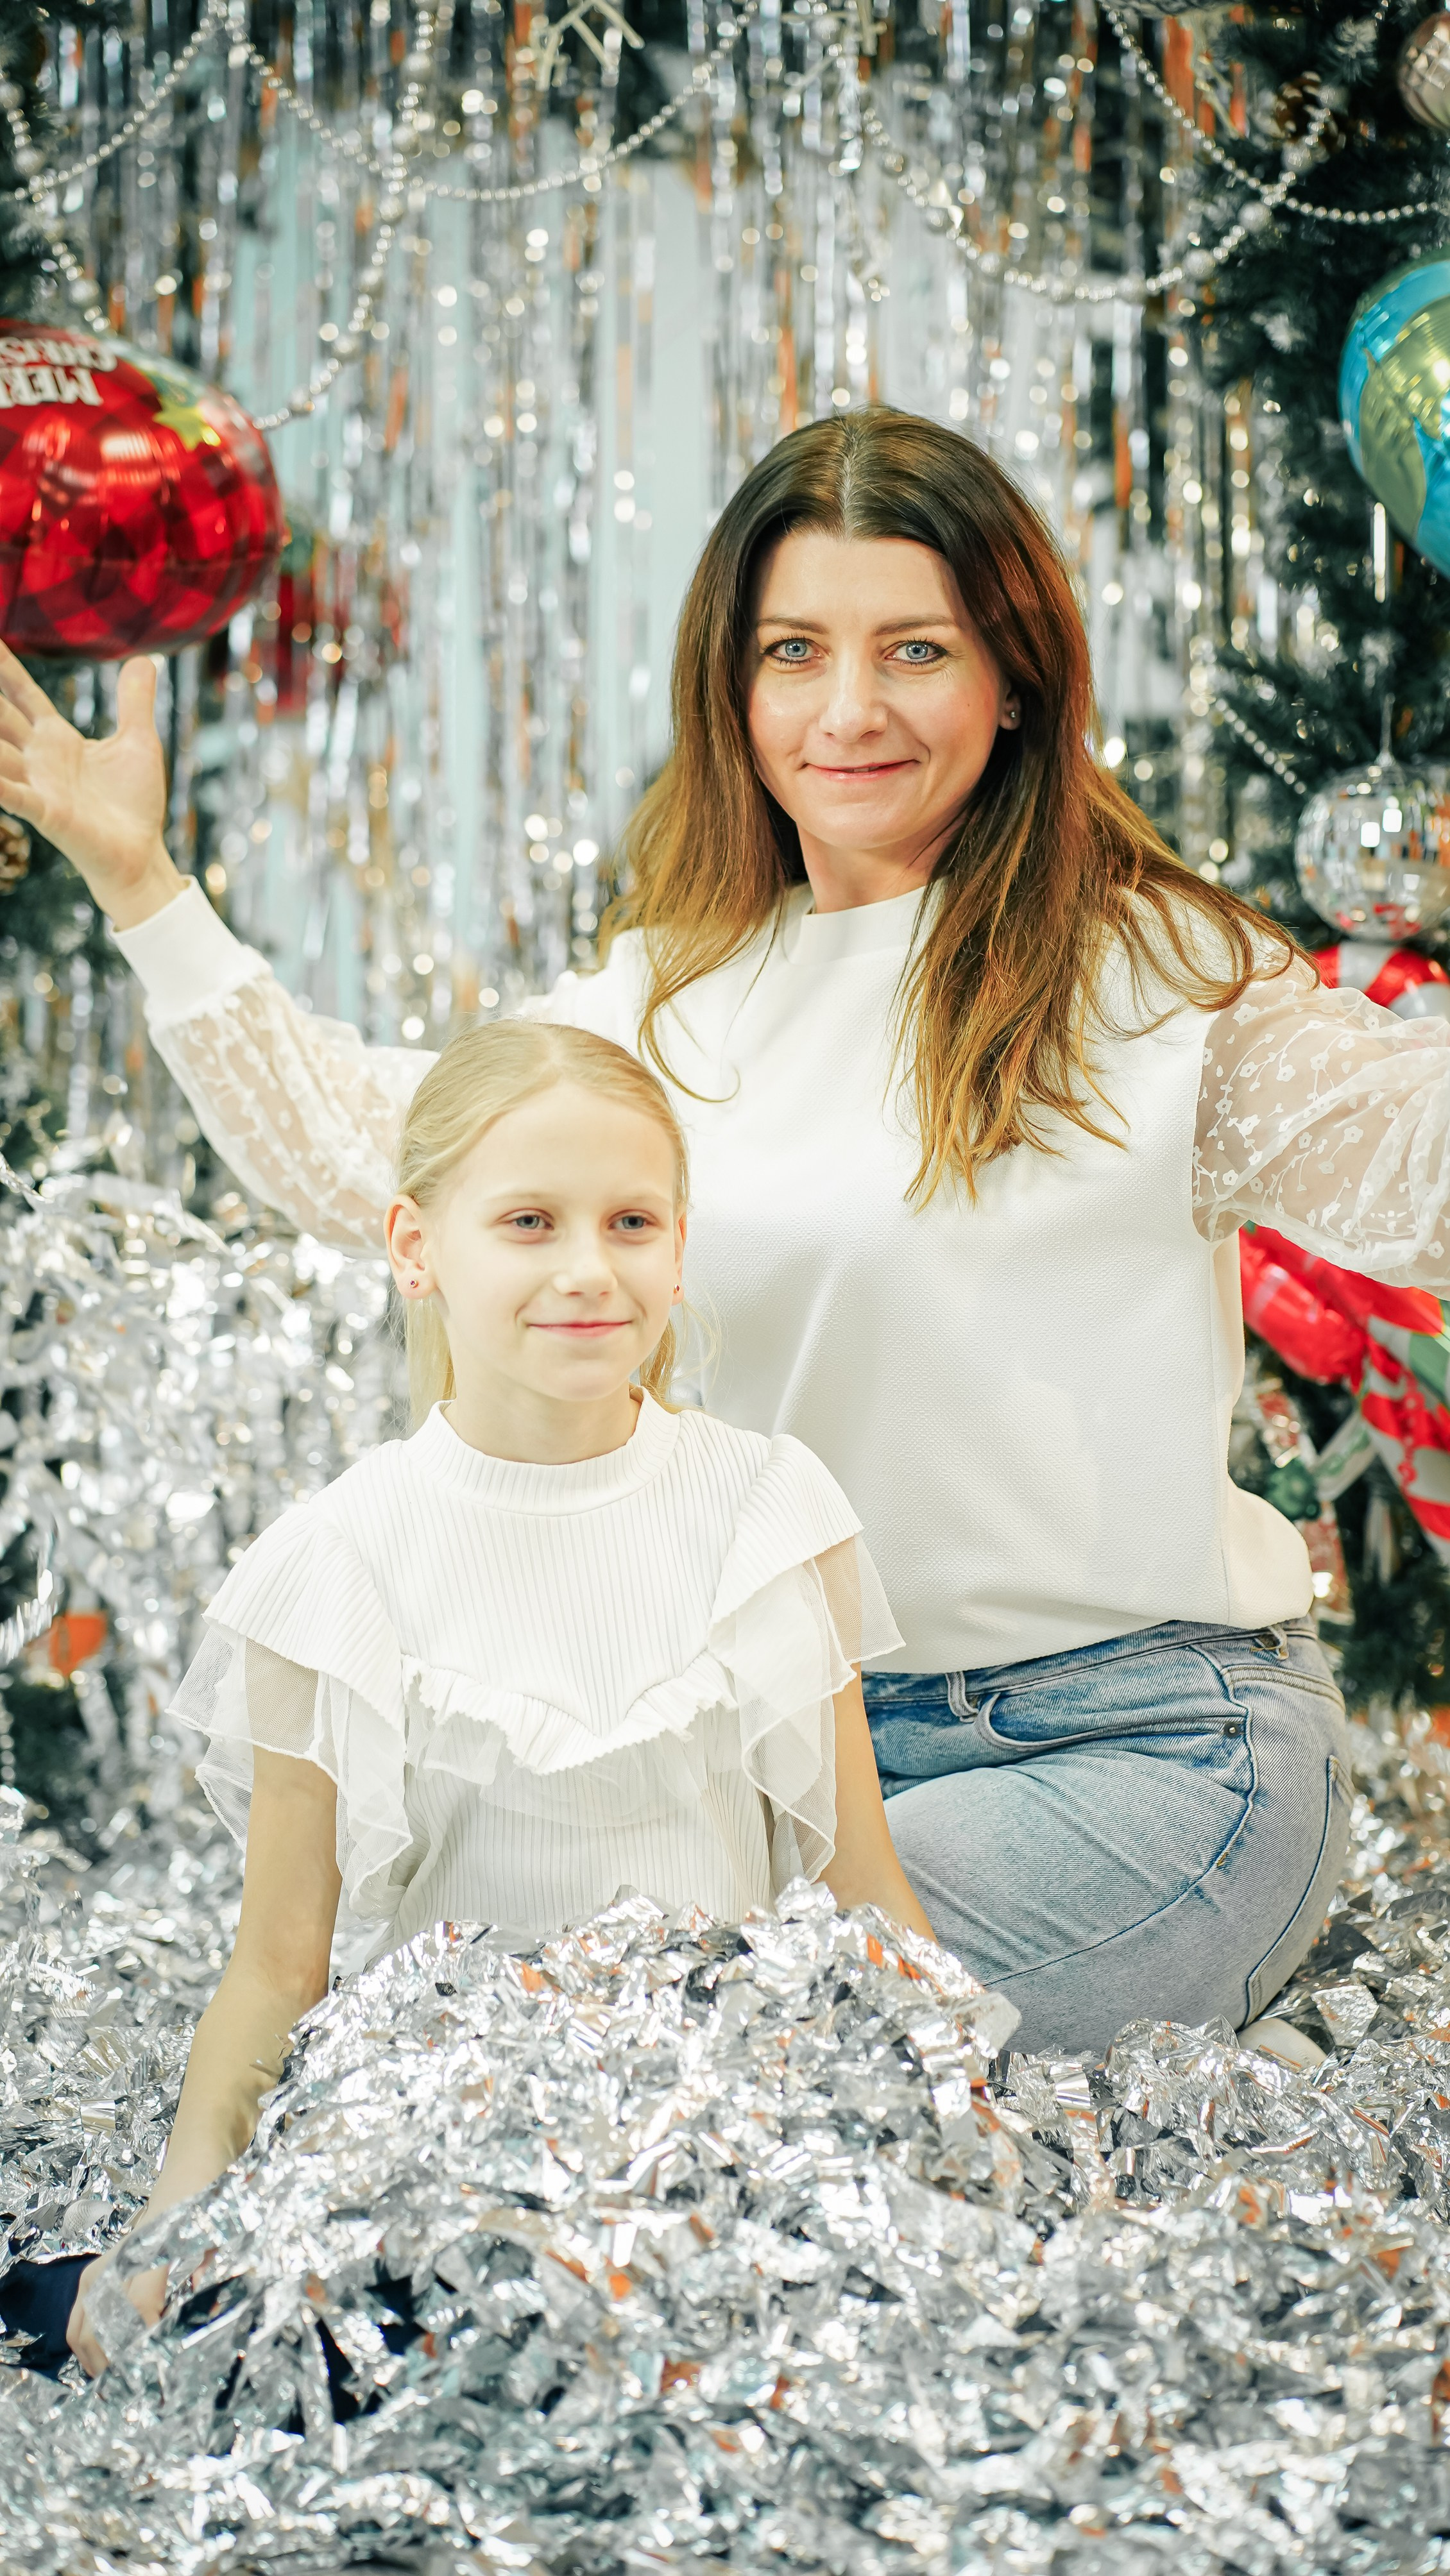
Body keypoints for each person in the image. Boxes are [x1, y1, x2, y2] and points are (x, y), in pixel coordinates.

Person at [1, 404, 1444, 2062]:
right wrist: (140, 886)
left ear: (1013, 679)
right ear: (730, 686)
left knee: (702, 2041)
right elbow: (371, 1156)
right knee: (488, 2026)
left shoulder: (1162, 982)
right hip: (772, 1760)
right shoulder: (659, 1003)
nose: (847, 711)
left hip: (1139, 1754)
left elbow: (1416, 1165)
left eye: (914, 649)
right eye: (792, 652)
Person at [59, 1015, 929, 2374]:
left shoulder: (767, 1508)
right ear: (416, 1249)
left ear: (680, 1244)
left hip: (723, 2139)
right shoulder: (336, 1563)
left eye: (630, 1221)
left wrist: (959, 2120)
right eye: (527, 1220)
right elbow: (282, 1959)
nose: (587, 1269)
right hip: (447, 2153)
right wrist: (180, 2214)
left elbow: (863, 1886)